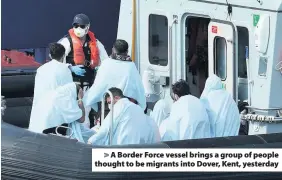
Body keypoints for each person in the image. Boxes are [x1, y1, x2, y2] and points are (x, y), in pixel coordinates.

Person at [83, 39, 146, 112]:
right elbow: (138, 89)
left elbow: (98, 86)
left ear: (113, 50)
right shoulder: (131, 66)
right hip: (125, 106)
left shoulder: (106, 63)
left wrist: (89, 98)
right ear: (127, 51)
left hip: (107, 105)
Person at [88, 87, 160, 146]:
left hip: (121, 149)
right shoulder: (138, 109)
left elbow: (106, 127)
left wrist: (91, 141)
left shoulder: (120, 105)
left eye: (109, 102)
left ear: (116, 98)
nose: (109, 106)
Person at [28, 82, 95, 143]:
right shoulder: (67, 99)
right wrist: (80, 99)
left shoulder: (53, 94)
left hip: (37, 130)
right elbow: (81, 119)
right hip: (51, 131)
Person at [58, 13, 108, 89]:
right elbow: (56, 62)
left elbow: (105, 61)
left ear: (87, 27)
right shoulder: (66, 42)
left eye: (82, 26)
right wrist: (70, 68)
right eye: (76, 26)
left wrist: (99, 69)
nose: (79, 28)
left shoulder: (96, 43)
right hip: (71, 83)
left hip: (89, 82)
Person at [32, 43, 73, 107]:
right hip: (57, 110)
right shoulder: (65, 70)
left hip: (41, 110)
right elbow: (68, 94)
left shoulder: (40, 70)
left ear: (50, 56)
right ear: (63, 55)